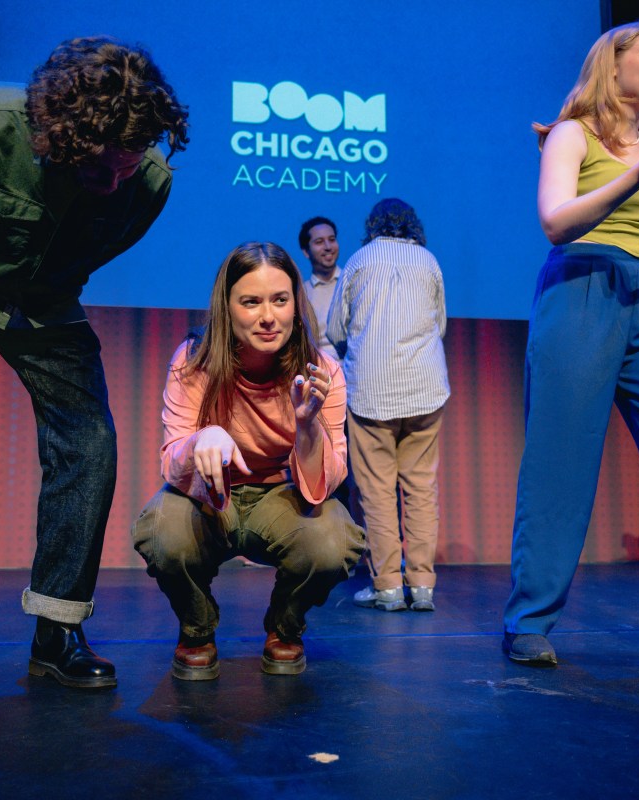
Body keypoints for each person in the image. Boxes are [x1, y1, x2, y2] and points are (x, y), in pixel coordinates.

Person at [0, 35, 189, 696]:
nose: (116, 181)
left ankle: (57, 631)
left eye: (127, 165)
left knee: (90, 443)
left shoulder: (148, 181)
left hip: (44, 298)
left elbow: (100, 243)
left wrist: (48, 284)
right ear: (58, 130)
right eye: (99, 169)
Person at [502, 22, 639, 666]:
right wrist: (638, 175)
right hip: (582, 286)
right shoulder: (572, 135)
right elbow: (556, 222)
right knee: (561, 462)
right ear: (610, 63)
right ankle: (528, 621)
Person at [131, 242, 364, 680]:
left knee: (334, 542)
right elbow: (171, 462)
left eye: (280, 300)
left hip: (282, 496)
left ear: (297, 303)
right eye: (250, 302)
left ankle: (284, 628)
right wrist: (204, 438)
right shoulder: (193, 359)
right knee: (162, 531)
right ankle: (197, 630)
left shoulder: (323, 371)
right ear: (227, 306)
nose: (267, 316)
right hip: (208, 497)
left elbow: (321, 486)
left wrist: (307, 426)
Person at [328, 198, 450, 612]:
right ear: (412, 225)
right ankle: (422, 586)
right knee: (421, 489)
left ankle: (388, 587)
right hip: (425, 388)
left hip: (371, 391)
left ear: (373, 225)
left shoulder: (359, 261)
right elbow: (441, 325)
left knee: (377, 494)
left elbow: (334, 328)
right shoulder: (429, 261)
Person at [299, 216, 342, 364]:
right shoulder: (301, 294)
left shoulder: (354, 283)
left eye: (332, 239)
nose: (328, 246)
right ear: (306, 251)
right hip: (319, 374)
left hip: (355, 375)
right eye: (319, 242)